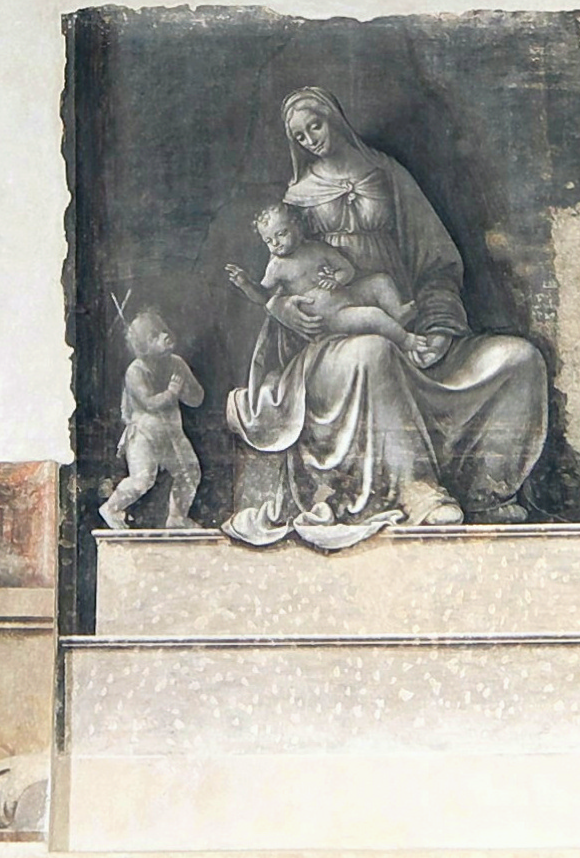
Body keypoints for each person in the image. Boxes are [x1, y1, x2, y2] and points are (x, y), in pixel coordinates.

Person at [223, 88, 548, 546]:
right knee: (373, 352)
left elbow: (437, 262)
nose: (311, 139)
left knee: (518, 359)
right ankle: (418, 489)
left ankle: (485, 491)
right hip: (331, 342)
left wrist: (437, 326)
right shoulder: (294, 201)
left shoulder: (388, 175)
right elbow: (279, 287)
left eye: (315, 125)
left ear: (334, 117)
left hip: (413, 328)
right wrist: (286, 312)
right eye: (299, 136)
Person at [99, 305, 204, 529]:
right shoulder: (135, 371)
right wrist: (171, 393)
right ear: (143, 346)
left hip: (172, 434)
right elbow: (148, 403)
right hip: (144, 435)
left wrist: (186, 390)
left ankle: (177, 517)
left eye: (164, 330)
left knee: (189, 473)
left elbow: (197, 398)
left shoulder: (177, 363)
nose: (165, 336)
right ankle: (112, 508)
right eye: (155, 335)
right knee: (141, 479)